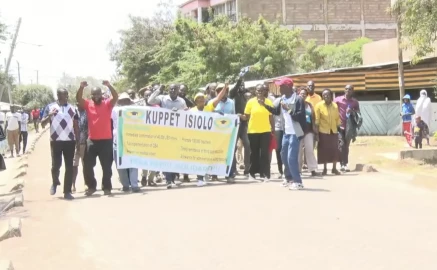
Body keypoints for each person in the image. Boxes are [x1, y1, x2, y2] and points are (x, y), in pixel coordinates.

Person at [76, 80, 118, 196]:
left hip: (106, 140)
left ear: (101, 95)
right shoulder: (88, 104)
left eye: (98, 94)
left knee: (107, 167)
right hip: (92, 140)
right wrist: (81, 87)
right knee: (87, 165)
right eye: (94, 94)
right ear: (91, 96)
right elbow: (79, 99)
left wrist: (109, 85)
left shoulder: (107, 104)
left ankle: (107, 187)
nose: (96, 96)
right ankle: (91, 186)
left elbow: (115, 96)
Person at [41, 88, 79, 200]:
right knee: (56, 165)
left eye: (65, 94)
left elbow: (76, 125)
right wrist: (49, 115)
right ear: (57, 95)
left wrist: (77, 139)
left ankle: (67, 191)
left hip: (69, 141)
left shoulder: (72, 108)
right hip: (56, 141)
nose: (63, 96)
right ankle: (54, 182)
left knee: (69, 166)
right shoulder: (50, 107)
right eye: (60, 94)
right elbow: (42, 124)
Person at [148, 84, 187, 189]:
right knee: (166, 156)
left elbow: (186, 114)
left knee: (174, 156)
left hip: (176, 133)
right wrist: (158, 90)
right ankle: (168, 180)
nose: (173, 90)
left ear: (178, 90)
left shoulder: (181, 101)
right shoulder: (162, 99)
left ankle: (173, 178)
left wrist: (179, 113)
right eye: (171, 89)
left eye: (175, 89)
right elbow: (150, 101)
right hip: (164, 133)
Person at [191, 88, 227, 186]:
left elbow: (218, 98)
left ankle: (205, 174)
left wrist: (225, 87)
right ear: (195, 101)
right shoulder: (191, 111)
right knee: (199, 159)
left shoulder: (209, 108)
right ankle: (200, 178)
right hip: (197, 139)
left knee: (207, 158)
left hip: (208, 138)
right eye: (199, 99)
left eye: (203, 98)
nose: (201, 100)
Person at [244, 84, 274, 181]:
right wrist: (239, 116)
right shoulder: (250, 102)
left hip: (265, 131)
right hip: (253, 131)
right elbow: (246, 116)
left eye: (261, 90)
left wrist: (273, 130)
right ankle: (252, 174)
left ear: (264, 92)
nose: (259, 92)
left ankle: (265, 174)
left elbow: (271, 117)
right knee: (254, 153)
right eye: (257, 90)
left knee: (265, 153)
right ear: (255, 92)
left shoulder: (269, 102)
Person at [112, 92, 141, 192]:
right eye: (122, 100)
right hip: (118, 140)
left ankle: (134, 185)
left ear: (129, 101)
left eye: (126, 100)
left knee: (133, 163)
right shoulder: (114, 110)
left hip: (132, 140)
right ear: (119, 102)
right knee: (120, 164)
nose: (124, 102)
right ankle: (125, 185)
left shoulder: (135, 110)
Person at [228, 67, 251, 175]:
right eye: (240, 85)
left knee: (247, 145)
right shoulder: (233, 94)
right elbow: (235, 87)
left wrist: (246, 117)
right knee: (233, 147)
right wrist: (240, 78)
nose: (242, 87)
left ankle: (247, 168)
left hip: (244, 124)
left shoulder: (245, 97)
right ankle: (233, 169)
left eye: (243, 85)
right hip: (234, 124)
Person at [315, 89, 341, 175]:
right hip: (323, 131)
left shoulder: (335, 106)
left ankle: (334, 168)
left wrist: (339, 130)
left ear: (331, 96)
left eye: (328, 95)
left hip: (333, 131)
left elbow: (337, 118)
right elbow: (317, 120)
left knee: (334, 150)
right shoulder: (318, 106)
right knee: (324, 151)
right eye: (324, 95)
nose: (326, 96)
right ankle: (325, 169)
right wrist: (317, 134)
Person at [334, 84, 360, 172]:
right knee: (341, 145)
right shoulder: (338, 99)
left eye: (350, 89)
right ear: (344, 90)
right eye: (346, 89)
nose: (348, 90)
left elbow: (358, 114)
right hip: (339, 126)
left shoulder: (355, 102)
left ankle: (345, 163)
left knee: (346, 146)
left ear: (352, 91)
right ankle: (342, 163)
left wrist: (352, 111)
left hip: (349, 127)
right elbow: (332, 108)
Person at [298, 88, 319, 177]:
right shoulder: (295, 105)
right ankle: (298, 170)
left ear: (307, 96)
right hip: (298, 131)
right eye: (301, 94)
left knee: (310, 150)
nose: (303, 95)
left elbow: (313, 118)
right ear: (298, 94)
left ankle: (313, 169)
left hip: (308, 130)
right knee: (298, 152)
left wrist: (315, 129)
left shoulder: (310, 105)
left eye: (304, 94)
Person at [72, 103, 88, 193]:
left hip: (84, 142)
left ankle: (86, 183)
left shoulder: (87, 113)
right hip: (74, 143)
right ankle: (72, 184)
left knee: (85, 164)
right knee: (74, 165)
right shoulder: (73, 113)